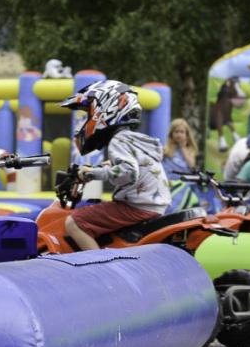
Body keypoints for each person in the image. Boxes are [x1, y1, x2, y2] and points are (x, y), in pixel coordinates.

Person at [59, 80, 171, 251]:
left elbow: (128, 172)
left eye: (88, 114)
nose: (87, 120)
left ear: (105, 109)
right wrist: (108, 166)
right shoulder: (132, 138)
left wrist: (91, 173)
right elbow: (138, 166)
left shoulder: (118, 140)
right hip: (154, 205)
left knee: (74, 223)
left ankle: (100, 269)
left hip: (136, 206)